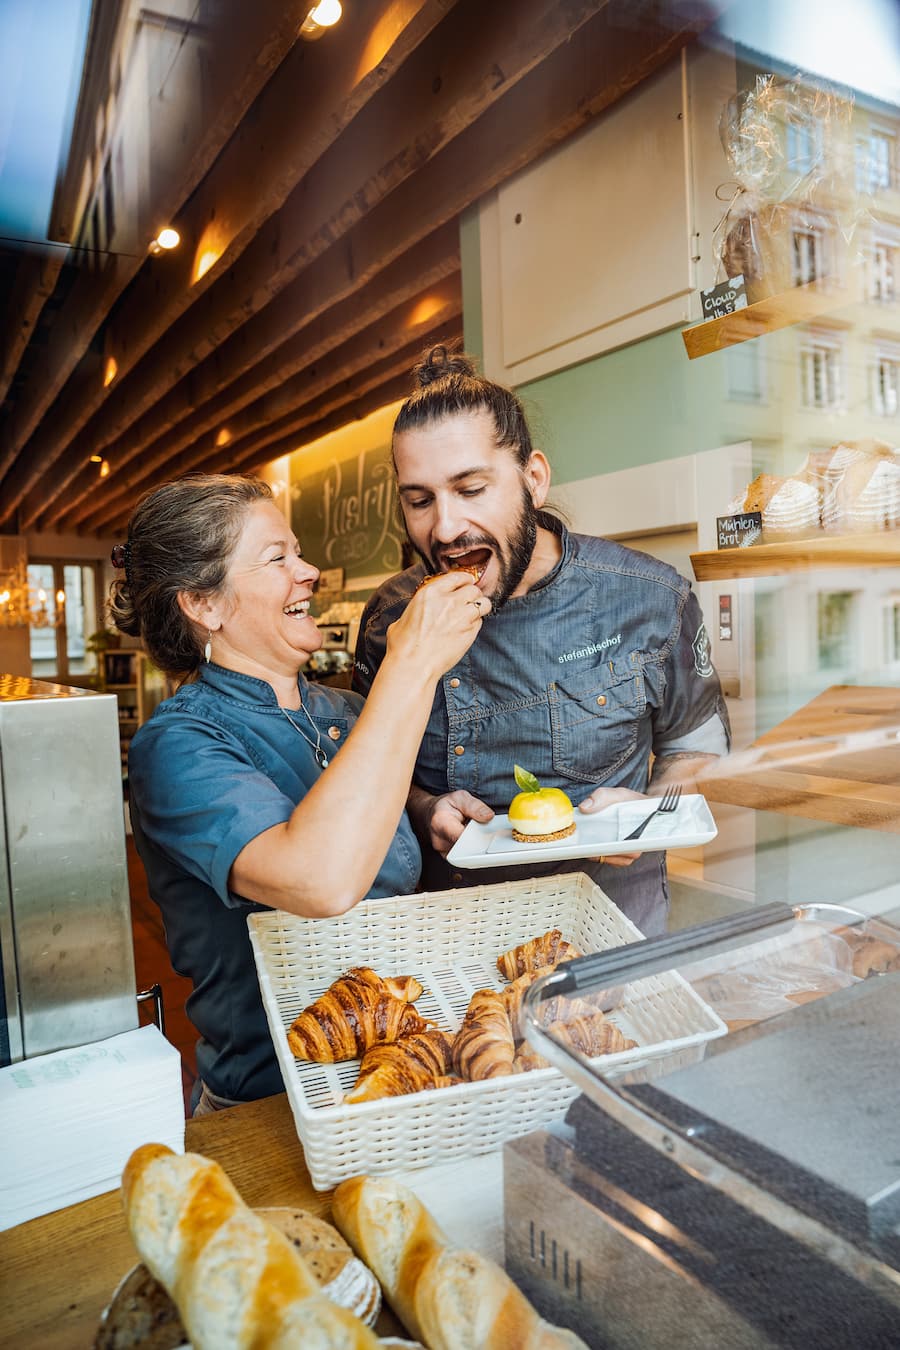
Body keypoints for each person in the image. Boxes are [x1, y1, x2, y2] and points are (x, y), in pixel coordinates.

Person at [109, 473, 488, 1111]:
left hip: (403, 1070)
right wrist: (413, 661)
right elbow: (319, 880)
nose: (308, 571)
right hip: (271, 1103)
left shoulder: (344, 708)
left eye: (298, 551)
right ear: (205, 604)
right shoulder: (175, 746)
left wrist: (423, 808)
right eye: (277, 558)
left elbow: (362, 808)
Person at [353, 347, 731, 937]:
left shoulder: (652, 598)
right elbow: (368, 774)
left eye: (471, 488)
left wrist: (651, 813)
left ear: (533, 479)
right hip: (448, 947)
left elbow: (698, 749)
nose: (446, 528)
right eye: (420, 500)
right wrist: (423, 806)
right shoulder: (390, 619)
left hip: (606, 939)